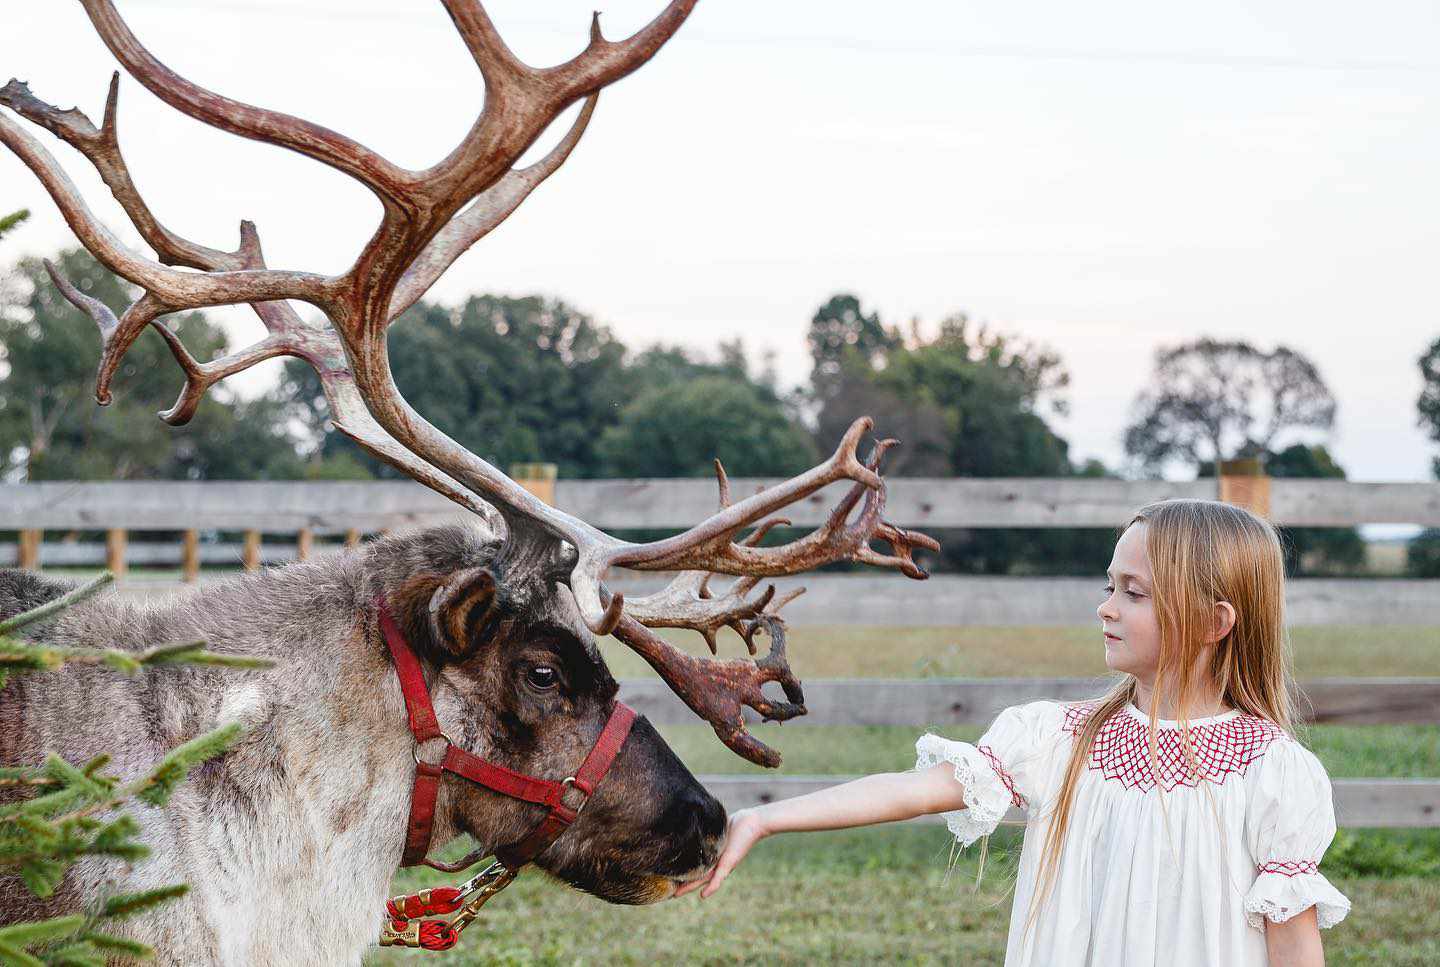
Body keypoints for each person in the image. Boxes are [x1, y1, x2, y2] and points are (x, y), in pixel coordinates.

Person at [679, 499, 1350, 966]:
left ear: (1214, 620)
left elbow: (1291, 943)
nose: (1105, 606)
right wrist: (764, 819)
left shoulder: (1274, 773)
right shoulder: (1055, 738)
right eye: (1109, 585)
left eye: (1133, 592)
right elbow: (909, 790)